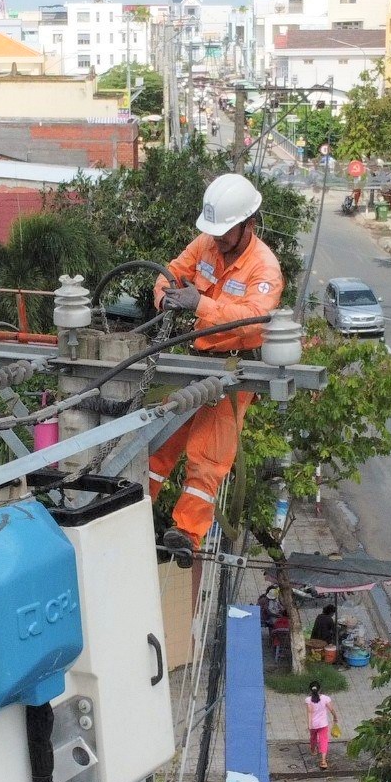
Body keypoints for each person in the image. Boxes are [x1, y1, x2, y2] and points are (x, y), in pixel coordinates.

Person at [148, 172, 286, 564]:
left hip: (233, 373)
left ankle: (186, 534)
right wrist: (165, 297)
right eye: (217, 231)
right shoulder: (206, 244)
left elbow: (254, 320)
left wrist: (199, 305)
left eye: (227, 231)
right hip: (191, 361)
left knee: (207, 458)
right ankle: (134, 510)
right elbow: (171, 271)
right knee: (158, 442)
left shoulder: (264, 269)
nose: (220, 238)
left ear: (248, 224)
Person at [306, 681, 340, 772]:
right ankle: (323, 761)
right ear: (320, 689)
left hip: (313, 725)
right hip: (323, 724)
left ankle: (313, 751)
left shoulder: (308, 700)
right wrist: (335, 717)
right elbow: (331, 709)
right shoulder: (325, 698)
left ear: (310, 690)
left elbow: (309, 712)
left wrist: (309, 725)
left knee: (313, 738)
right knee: (323, 740)